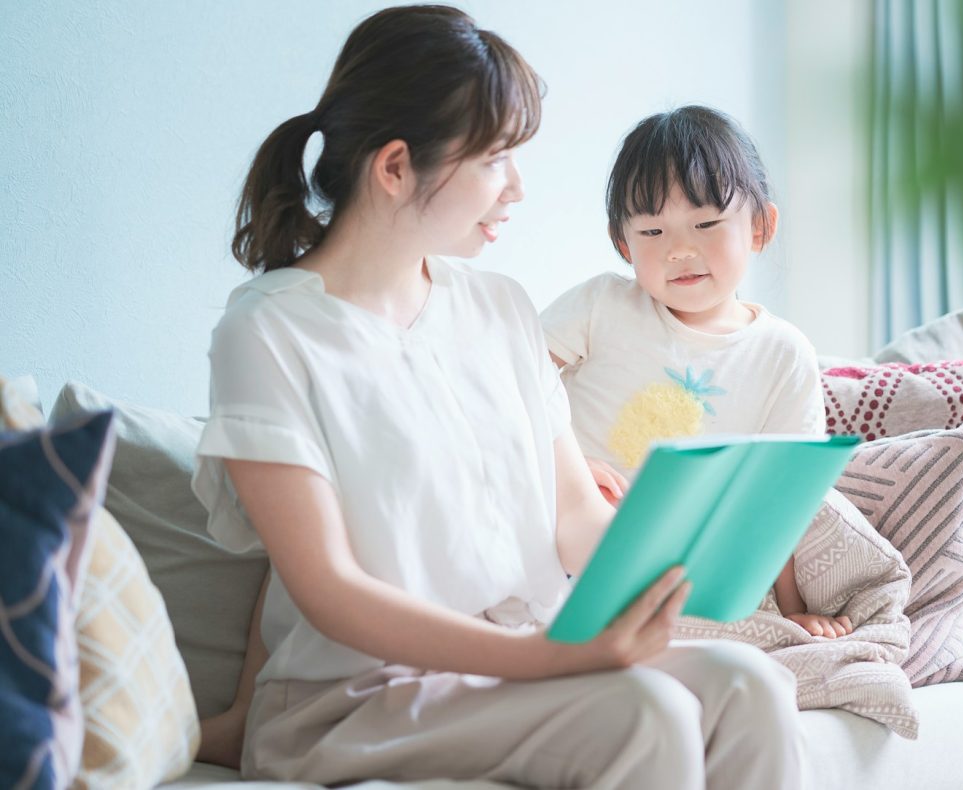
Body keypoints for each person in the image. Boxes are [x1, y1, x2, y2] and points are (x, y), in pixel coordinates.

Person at [191, 7, 803, 787]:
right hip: (357, 694)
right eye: (494, 159)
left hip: (527, 659)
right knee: (649, 714)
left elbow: (574, 516)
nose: (516, 186)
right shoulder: (269, 333)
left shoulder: (500, 307)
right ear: (395, 167)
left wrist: (680, 565)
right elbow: (329, 588)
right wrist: (543, 657)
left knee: (753, 686)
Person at [541, 106, 852, 639]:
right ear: (623, 245)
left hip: (688, 578)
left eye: (706, 224)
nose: (679, 250)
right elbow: (507, 382)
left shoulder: (782, 353)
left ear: (760, 227)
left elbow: (779, 499)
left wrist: (791, 608)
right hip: (568, 548)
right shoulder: (601, 306)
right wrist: (565, 460)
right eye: (652, 230)